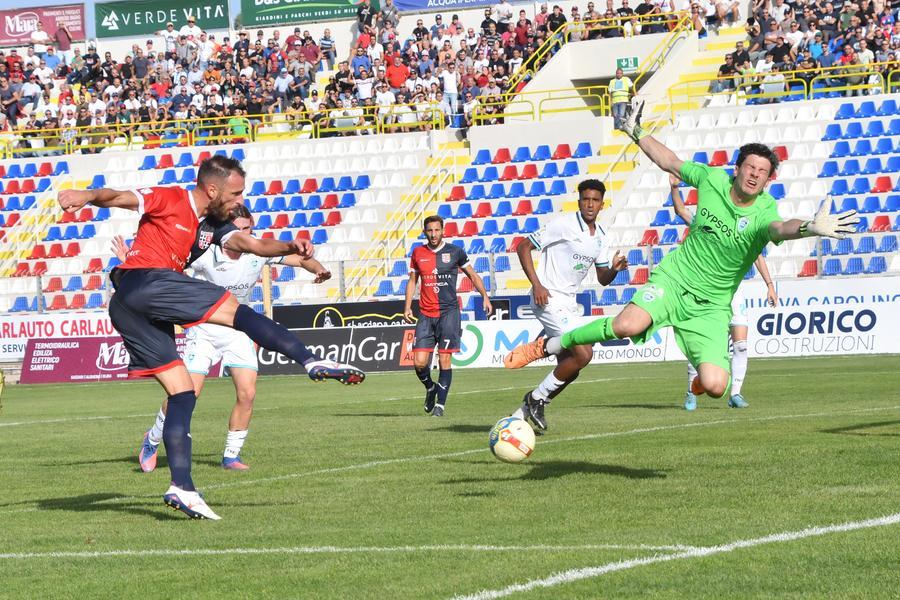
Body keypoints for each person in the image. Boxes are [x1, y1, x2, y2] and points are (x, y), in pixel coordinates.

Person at [57, 156, 365, 520]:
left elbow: (253, 245)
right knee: (239, 313)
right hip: (149, 281)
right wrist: (86, 195)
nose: (239, 201)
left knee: (182, 394)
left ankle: (182, 487)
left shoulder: (212, 226)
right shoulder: (171, 197)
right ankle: (310, 360)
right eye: (236, 194)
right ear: (213, 189)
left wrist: (290, 246)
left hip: (129, 306)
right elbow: (119, 196)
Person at [504, 100, 859, 402]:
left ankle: (701, 377)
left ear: (769, 180)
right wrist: (635, 131)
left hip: (711, 306)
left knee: (716, 387)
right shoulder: (712, 179)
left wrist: (809, 227)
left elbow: (780, 228)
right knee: (626, 325)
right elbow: (670, 162)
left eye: (762, 172)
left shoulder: (764, 210)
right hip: (674, 281)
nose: (754, 174)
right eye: (750, 167)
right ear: (737, 169)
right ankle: (548, 346)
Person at [121, 205, 332, 473]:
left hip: (238, 328)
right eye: (239, 229)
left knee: (248, 393)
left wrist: (319, 269)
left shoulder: (257, 252)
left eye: (248, 229)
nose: (245, 235)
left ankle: (231, 456)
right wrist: (134, 266)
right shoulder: (204, 254)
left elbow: (299, 259)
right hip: (203, 328)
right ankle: (152, 440)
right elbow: (166, 266)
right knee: (186, 393)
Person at [510, 179, 628, 431]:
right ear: (579, 202)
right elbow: (523, 246)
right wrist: (537, 284)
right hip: (548, 298)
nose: (590, 204)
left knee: (571, 367)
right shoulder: (563, 224)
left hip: (569, 304)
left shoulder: (602, 237)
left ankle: (518, 416)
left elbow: (603, 278)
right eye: (585, 199)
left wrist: (615, 269)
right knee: (584, 353)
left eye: (595, 200)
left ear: (602, 204)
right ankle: (537, 395)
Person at [667, 174, 777, 410]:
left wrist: (769, 285)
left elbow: (757, 256)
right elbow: (681, 211)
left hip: (733, 292)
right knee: (702, 346)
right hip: (705, 291)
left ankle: (735, 394)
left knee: (741, 345)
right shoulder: (704, 222)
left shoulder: (744, 229)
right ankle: (691, 391)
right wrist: (675, 188)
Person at [403, 215, 492, 417]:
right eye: (430, 231)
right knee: (419, 363)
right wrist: (407, 306)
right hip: (426, 314)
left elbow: (472, 275)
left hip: (449, 314)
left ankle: (440, 406)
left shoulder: (455, 252)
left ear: (443, 231)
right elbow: (412, 281)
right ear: (424, 232)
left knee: (444, 359)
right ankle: (430, 387)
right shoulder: (418, 252)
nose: (433, 234)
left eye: (437, 230)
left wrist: (485, 297)